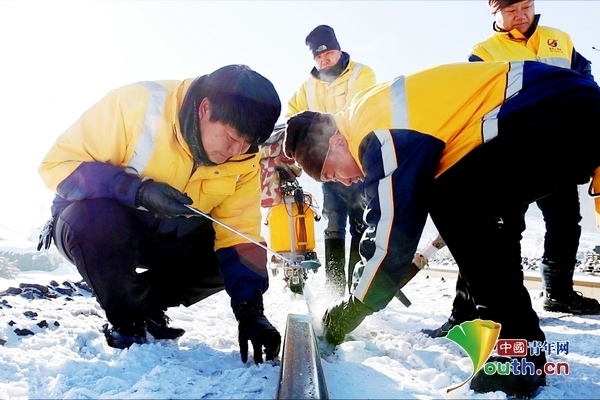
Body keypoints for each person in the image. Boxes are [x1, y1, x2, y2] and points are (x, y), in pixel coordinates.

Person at [283, 60, 600, 397]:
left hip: (553, 108)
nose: (344, 182)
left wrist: (353, 308)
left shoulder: (373, 132)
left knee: (454, 200)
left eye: (332, 173)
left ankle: (519, 355)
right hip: (557, 109)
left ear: (336, 143)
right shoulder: (369, 117)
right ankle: (516, 346)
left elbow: (393, 230)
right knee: (470, 207)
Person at [38, 65, 282, 364]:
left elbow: (239, 236)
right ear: (205, 108)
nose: (237, 150)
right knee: (97, 220)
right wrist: (136, 190)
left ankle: (147, 305)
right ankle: (127, 318)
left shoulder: (245, 160)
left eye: (247, 143)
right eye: (232, 137)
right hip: (89, 224)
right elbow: (57, 167)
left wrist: (250, 310)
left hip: (167, 234)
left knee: (225, 257)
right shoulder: (135, 107)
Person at [422, 0, 600, 340]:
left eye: (526, 6)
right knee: (495, 233)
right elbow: (477, 106)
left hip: (561, 147)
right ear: (495, 13)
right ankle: (467, 312)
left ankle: (559, 293)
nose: (521, 15)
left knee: (565, 221)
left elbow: (587, 84)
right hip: (512, 154)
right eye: (511, 10)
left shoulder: (560, 39)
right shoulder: (484, 52)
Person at [285, 24, 376, 296]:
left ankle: (357, 288)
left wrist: (327, 130)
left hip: (354, 161)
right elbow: (293, 115)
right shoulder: (308, 86)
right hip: (327, 164)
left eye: (328, 54)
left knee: (361, 222)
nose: (324, 61)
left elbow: (361, 108)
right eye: (319, 57)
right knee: (333, 222)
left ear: (339, 50)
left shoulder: (361, 74)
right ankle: (334, 289)